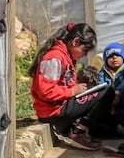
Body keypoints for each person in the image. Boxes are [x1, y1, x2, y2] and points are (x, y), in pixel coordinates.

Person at [29, 22, 114, 151]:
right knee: (106, 91)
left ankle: (76, 129)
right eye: (85, 50)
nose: (84, 55)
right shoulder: (54, 58)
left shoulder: (66, 56)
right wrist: (72, 91)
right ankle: (77, 133)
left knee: (104, 91)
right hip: (53, 112)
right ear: (75, 42)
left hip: (61, 105)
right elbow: (45, 92)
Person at [98, 42, 124, 131]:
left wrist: (118, 92)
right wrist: (108, 94)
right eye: (110, 57)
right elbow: (100, 83)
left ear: (123, 58)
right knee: (103, 111)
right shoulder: (103, 72)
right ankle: (107, 126)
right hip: (107, 97)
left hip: (122, 96)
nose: (114, 58)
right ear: (106, 59)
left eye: (117, 56)